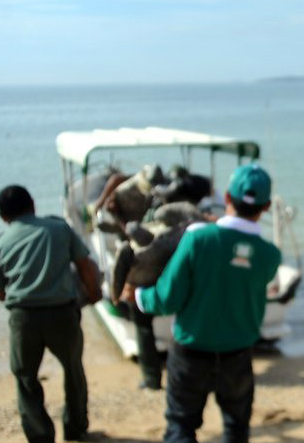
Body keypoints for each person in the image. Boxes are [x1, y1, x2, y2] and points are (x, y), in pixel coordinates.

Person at [120, 164, 281, 443]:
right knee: (236, 428)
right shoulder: (270, 255)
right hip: (238, 355)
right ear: (266, 207)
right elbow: (241, 265)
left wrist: (136, 296)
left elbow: (166, 299)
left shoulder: (197, 238)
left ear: (228, 198)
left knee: (181, 426)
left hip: (191, 354)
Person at [0, 185, 102, 443]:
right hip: (63, 314)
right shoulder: (59, 230)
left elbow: (0, 293)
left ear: (2, 217)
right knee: (73, 371)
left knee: (25, 377)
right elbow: (84, 264)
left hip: (23, 318)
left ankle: (40, 436)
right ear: (33, 205)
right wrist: (94, 293)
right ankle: (75, 428)